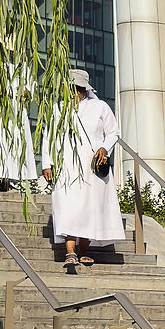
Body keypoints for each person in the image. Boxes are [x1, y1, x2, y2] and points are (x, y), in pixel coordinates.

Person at [44, 68, 122, 270]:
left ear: (83, 89)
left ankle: (84, 251)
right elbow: (49, 136)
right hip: (66, 166)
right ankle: (70, 252)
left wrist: (104, 148)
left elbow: (113, 132)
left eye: (76, 89)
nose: (73, 92)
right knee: (68, 207)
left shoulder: (100, 107)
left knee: (89, 207)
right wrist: (46, 163)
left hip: (91, 167)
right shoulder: (58, 109)